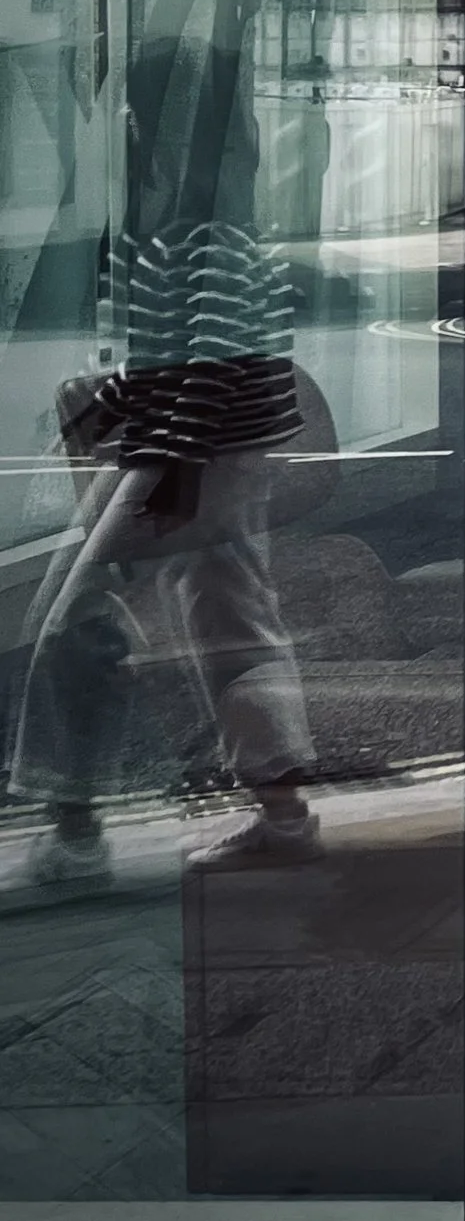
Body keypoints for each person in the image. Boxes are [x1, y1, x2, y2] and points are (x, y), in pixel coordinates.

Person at [4, 232, 326, 908]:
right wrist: (102, 410)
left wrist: (168, 481)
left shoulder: (202, 212)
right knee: (232, 618)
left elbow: (210, 366)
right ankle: (285, 817)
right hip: (204, 444)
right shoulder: (161, 215)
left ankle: (75, 833)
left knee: (78, 616)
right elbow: (161, 354)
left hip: (192, 450)